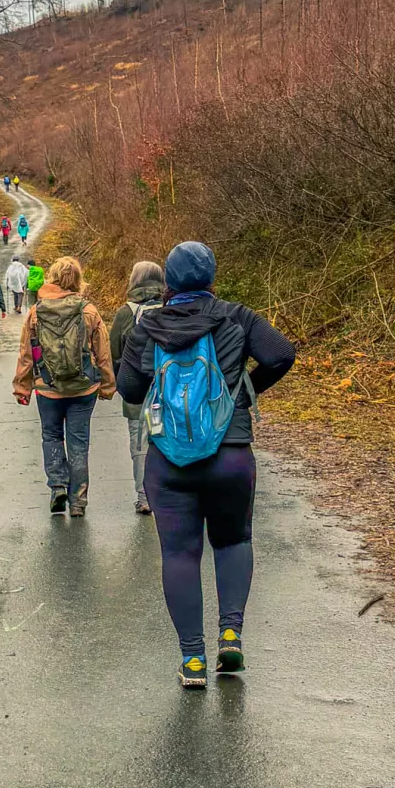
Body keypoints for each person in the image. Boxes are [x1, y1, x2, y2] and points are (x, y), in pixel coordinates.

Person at [116, 240, 295, 688]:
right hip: (231, 453)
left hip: (169, 462)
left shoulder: (149, 325)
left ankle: (193, 660)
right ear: (212, 277)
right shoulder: (237, 316)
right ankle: (230, 636)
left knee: (180, 554)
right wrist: (242, 392)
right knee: (233, 543)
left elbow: (131, 391)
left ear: (169, 282)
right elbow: (281, 354)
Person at [13, 257, 115, 516]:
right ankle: (78, 501)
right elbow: (103, 352)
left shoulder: (37, 312)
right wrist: (108, 385)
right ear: (78, 280)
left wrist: (22, 387)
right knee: (79, 442)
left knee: (51, 436)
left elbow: (27, 353)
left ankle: (58, 487)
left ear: (53, 277)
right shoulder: (88, 310)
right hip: (83, 389)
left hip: (47, 388)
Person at [109, 259, 165, 514]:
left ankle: (144, 498)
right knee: (169, 440)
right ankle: (170, 492)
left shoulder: (125, 313)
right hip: (170, 390)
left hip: (136, 394)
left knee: (140, 446)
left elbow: (114, 354)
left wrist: (122, 384)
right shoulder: (171, 307)